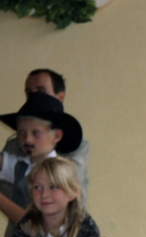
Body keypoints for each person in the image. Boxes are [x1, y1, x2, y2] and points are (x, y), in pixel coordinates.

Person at [2, 69, 91, 216]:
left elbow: (66, 191)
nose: (28, 139)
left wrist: (21, 195)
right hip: (18, 230)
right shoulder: (16, 147)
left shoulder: (76, 149)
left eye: (41, 91)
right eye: (29, 93)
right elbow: (6, 174)